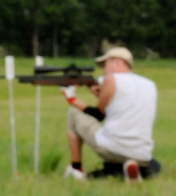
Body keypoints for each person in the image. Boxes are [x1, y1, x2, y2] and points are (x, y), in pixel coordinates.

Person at [61, 46, 157, 182]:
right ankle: (131, 168)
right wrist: (101, 93)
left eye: (105, 64)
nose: (104, 70)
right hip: (143, 154)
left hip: (114, 149)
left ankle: (76, 168)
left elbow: (98, 114)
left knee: (73, 113)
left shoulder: (112, 79)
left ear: (116, 62)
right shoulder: (149, 84)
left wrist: (72, 99)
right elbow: (121, 104)